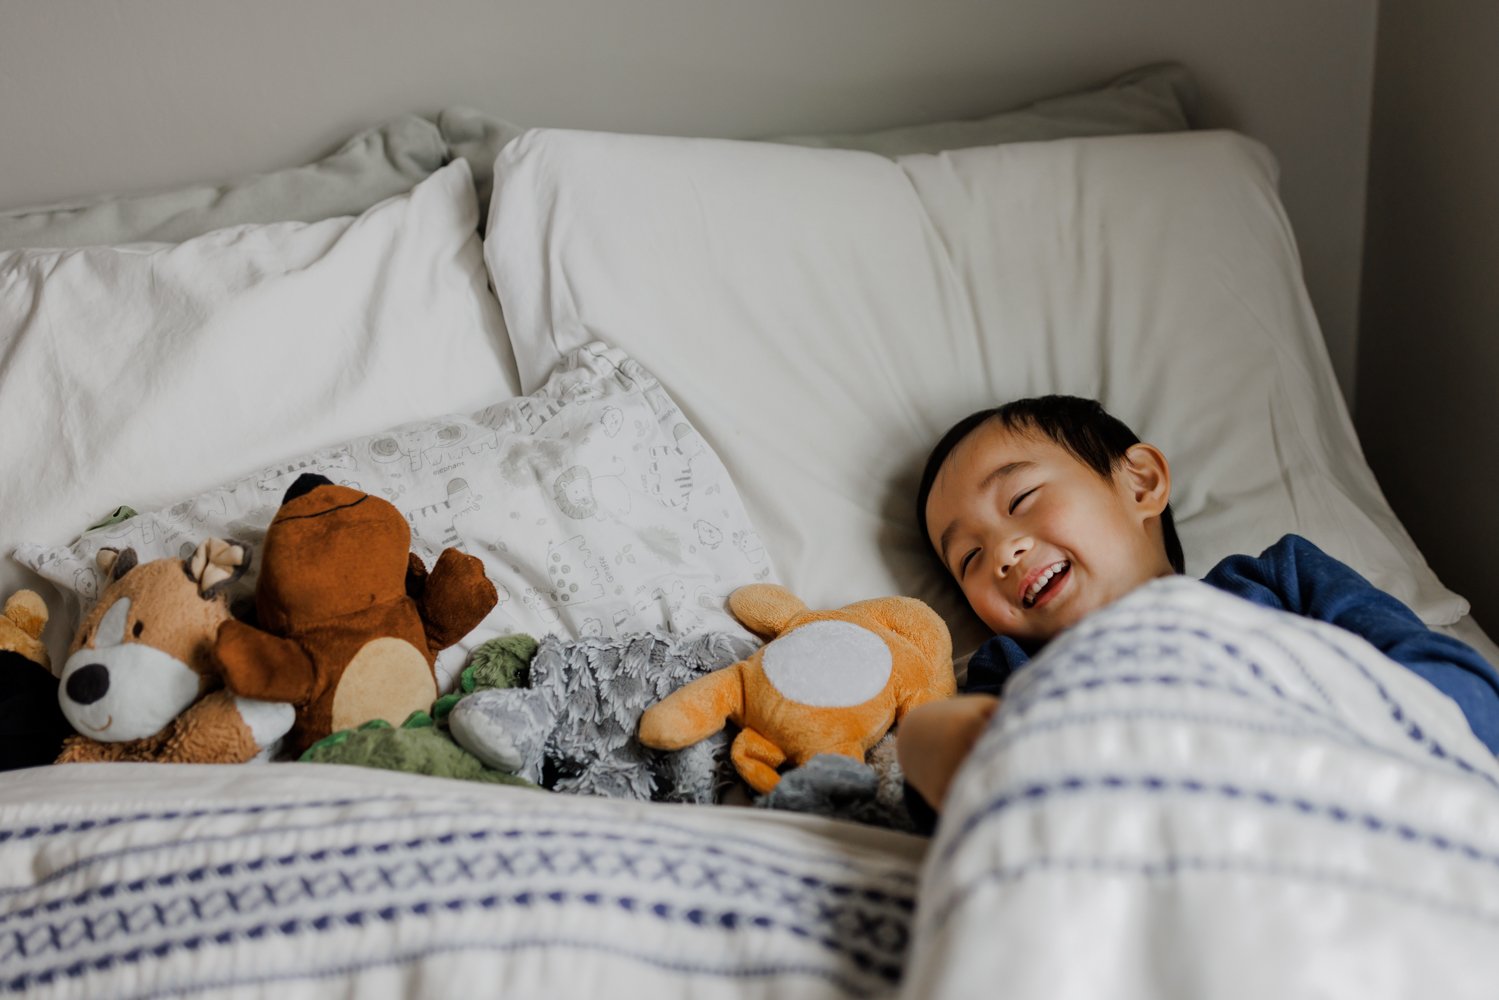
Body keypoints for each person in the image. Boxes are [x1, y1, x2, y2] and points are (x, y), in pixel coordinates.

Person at [897, 394, 1499, 819]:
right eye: (969, 558)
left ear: (1141, 483)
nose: (1003, 551)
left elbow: (1458, 689)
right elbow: (966, 812)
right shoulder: (1012, 670)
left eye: (1021, 498)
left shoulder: (1278, 581)